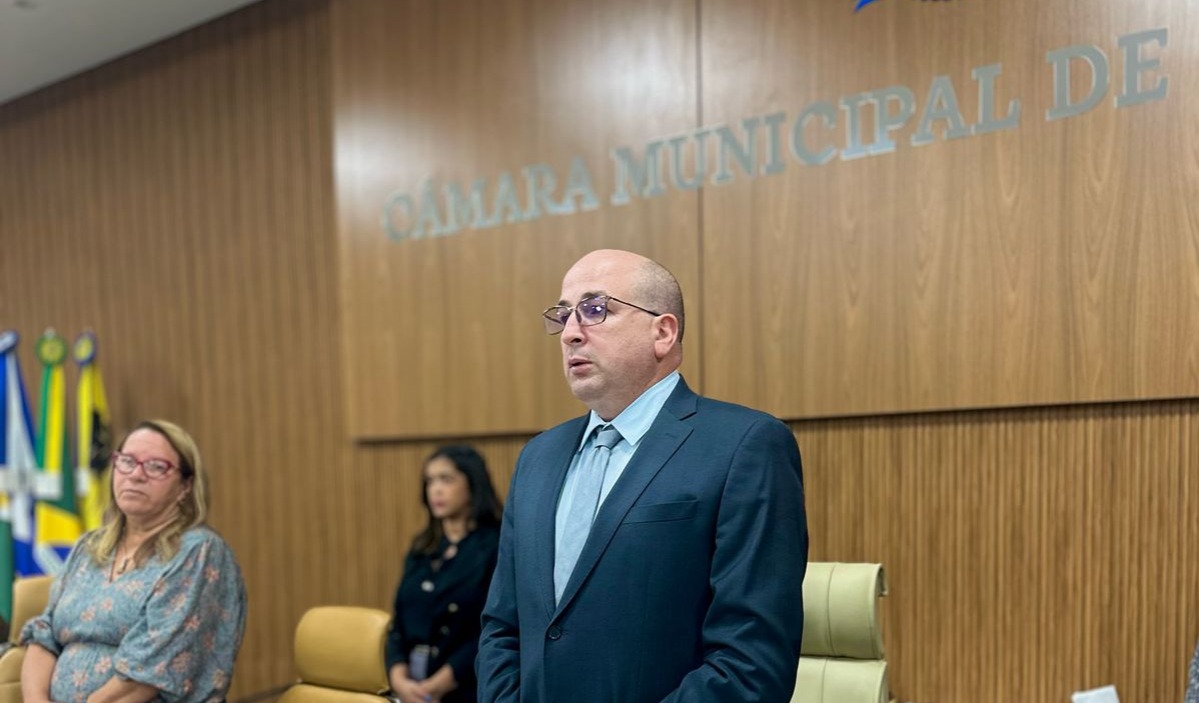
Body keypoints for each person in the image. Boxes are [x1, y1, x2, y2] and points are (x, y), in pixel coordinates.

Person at [476, 249, 809, 703]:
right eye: (564, 314)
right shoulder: (539, 457)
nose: (571, 333)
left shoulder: (744, 446)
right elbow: (502, 627)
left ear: (662, 332)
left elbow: (751, 661)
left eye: (596, 309)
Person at [20, 419, 247, 703]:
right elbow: (44, 635)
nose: (136, 475)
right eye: (126, 462)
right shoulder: (89, 547)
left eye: (156, 466)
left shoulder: (199, 552)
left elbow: (150, 671)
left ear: (185, 486)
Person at [387, 446, 503, 703]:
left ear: (472, 483)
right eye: (430, 481)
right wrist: (398, 678)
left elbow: (492, 629)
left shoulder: (496, 546)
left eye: (446, 479)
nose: (435, 490)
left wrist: (438, 685)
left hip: (467, 688)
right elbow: (398, 625)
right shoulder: (422, 548)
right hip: (410, 688)